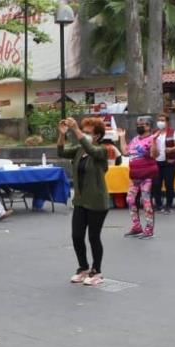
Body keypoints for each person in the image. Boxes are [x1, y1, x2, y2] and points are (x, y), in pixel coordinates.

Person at [59, 118, 111, 286]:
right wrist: (62, 135)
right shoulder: (79, 150)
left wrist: (75, 130)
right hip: (80, 201)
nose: (85, 135)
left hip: (97, 201)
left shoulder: (102, 150)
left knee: (94, 237)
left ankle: (97, 271)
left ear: (97, 136)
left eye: (88, 133)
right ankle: (83, 268)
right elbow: (61, 152)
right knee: (76, 236)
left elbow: (91, 149)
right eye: (84, 131)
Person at [122, 116, 159, 239]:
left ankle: (149, 230)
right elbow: (126, 152)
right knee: (130, 199)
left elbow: (154, 155)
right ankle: (136, 227)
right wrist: (122, 137)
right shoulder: (135, 139)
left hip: (147, 176)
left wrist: (153, 141)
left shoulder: (152, 139)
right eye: (137, 124)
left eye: (142, 124)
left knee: (146, 201)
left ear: (149, 126)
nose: (139, 126)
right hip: (135, 176)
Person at [152, 113, 175, 214]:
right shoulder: (155, 133)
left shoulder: (174, 132)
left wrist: (171, 149)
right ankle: (158, 205)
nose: (160, 122)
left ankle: (169, 206)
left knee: (169, 184)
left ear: (167, 122)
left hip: (170, 162)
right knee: (156, 184)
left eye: (162, 120)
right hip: (157, 162)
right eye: (159, 120)